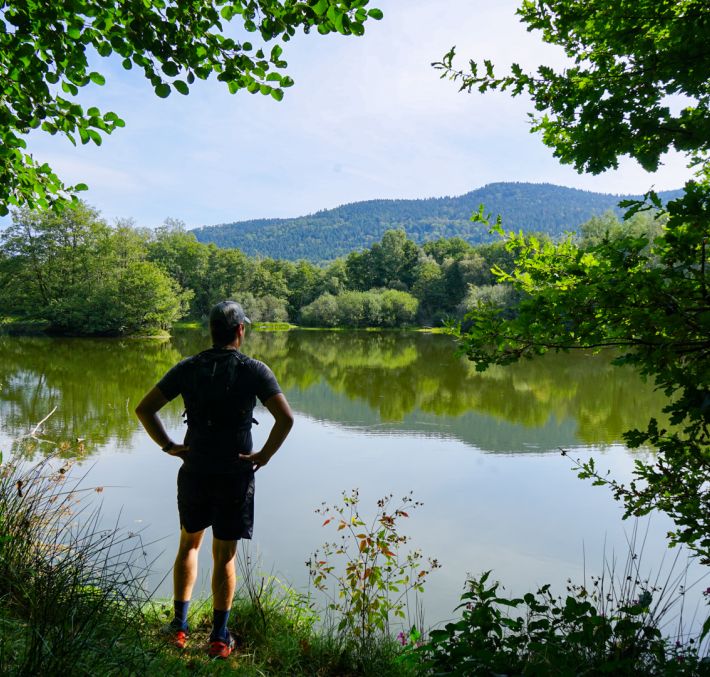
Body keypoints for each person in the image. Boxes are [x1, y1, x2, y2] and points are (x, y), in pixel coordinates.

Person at [135, 300, 293, 658]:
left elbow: (144, 410)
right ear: (240, 331)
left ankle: (179, 628)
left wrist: (169, 445)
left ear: (211, 331)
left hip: (195, 470)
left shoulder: (188, 367)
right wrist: (264, 456)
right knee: (224, 555)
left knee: (189, 544)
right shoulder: (254, 370)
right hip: (235, 473)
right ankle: (220, 639)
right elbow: (285, 419)